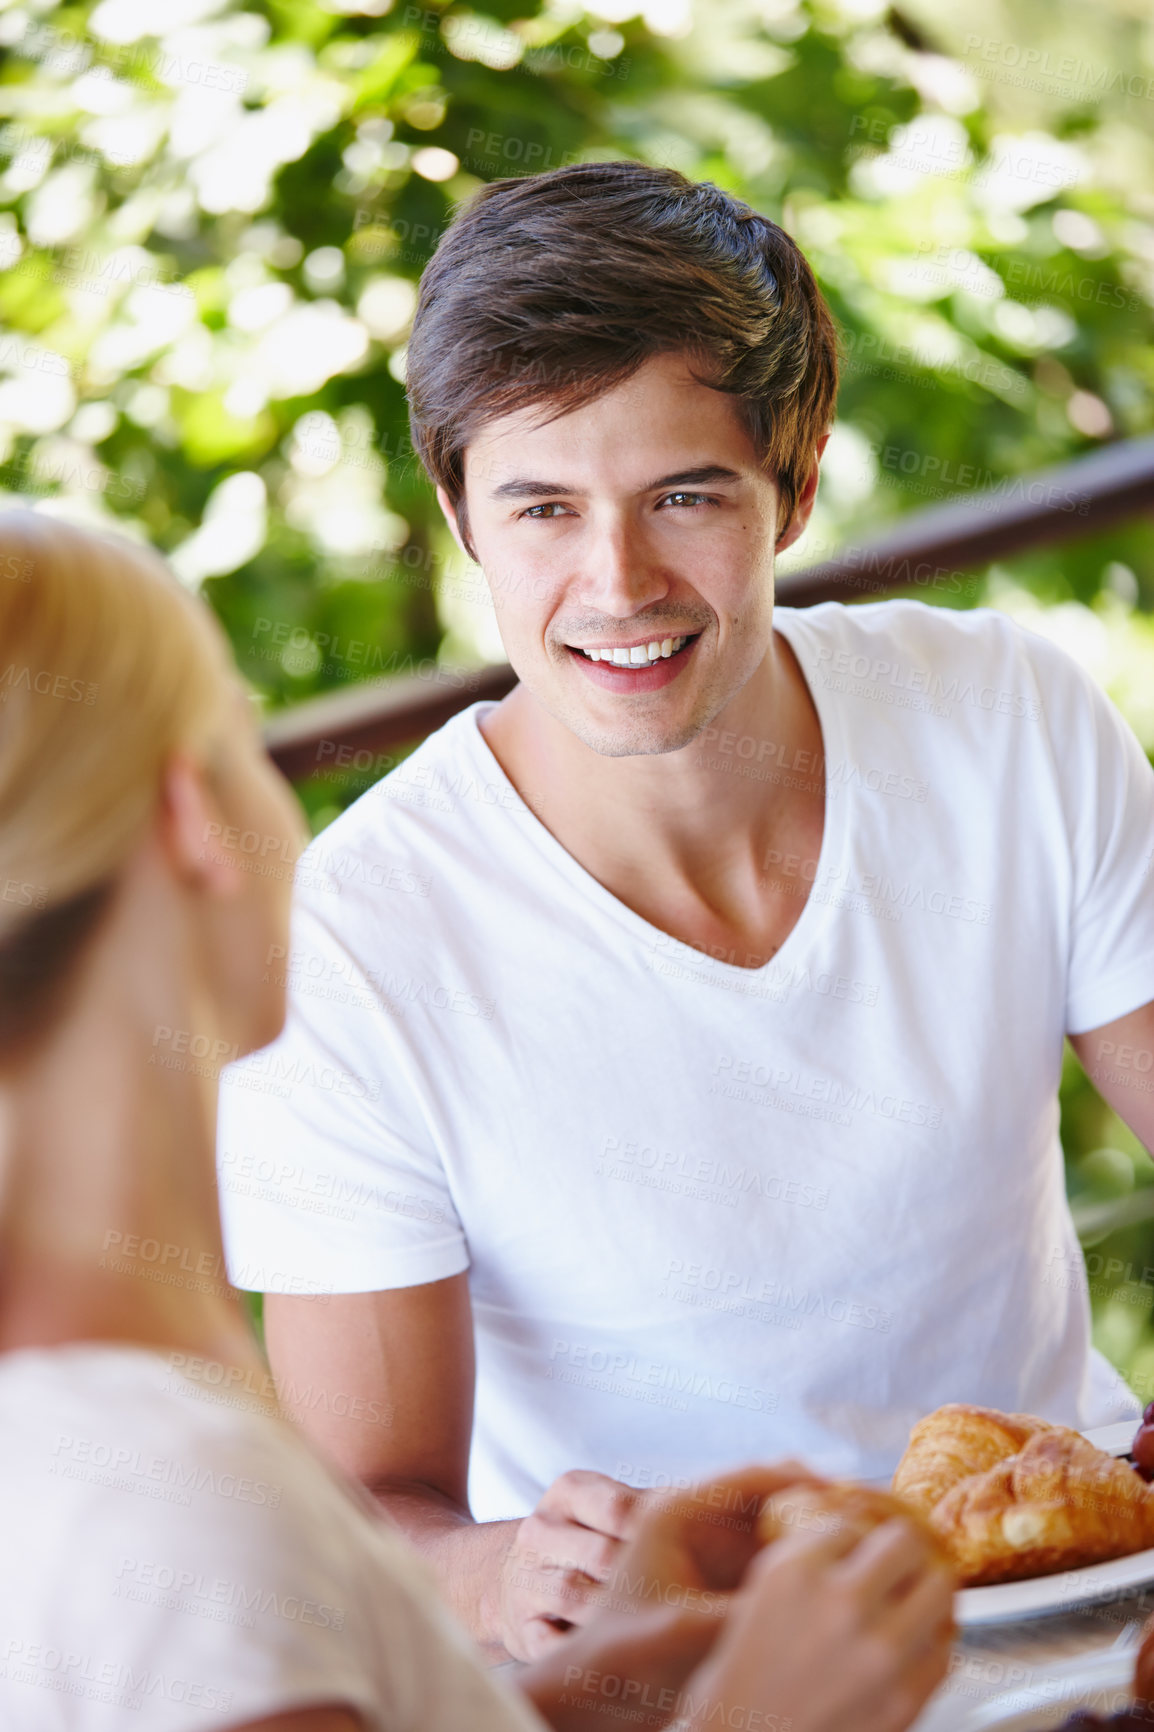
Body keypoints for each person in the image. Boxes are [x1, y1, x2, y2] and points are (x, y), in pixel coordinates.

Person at [216, 159, 1154, 1661]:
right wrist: (499, 1569)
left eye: (683, 495)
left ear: (792, 482)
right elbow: (363, 1518)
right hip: (687, 1679)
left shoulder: (1006, 721)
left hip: (1076, 1614)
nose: (617, 583)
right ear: (458, 512)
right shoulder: (350, 949)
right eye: (541, 508)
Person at [0, 509, 955, 1732]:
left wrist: (590, 1690)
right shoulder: (176, 1508)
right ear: (197, 825)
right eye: (244, 738)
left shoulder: (89, 1437)